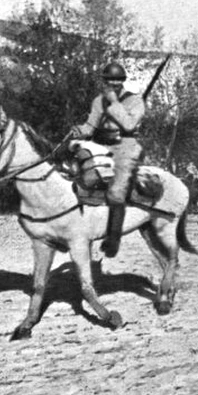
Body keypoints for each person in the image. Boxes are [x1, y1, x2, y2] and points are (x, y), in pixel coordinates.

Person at [71, 62, 146, 258]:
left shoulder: (135, 101)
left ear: (123, 81)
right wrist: (80, 130)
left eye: (117, 80)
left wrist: (114, 103)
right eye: (109, 81)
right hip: (101, 145)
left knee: (116, 192)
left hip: (126, 147)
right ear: (104, 81)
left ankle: (113, 239)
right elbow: (90, 125)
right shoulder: (98, 100)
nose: (113, 84)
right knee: (76, 175)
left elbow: (129, 125)